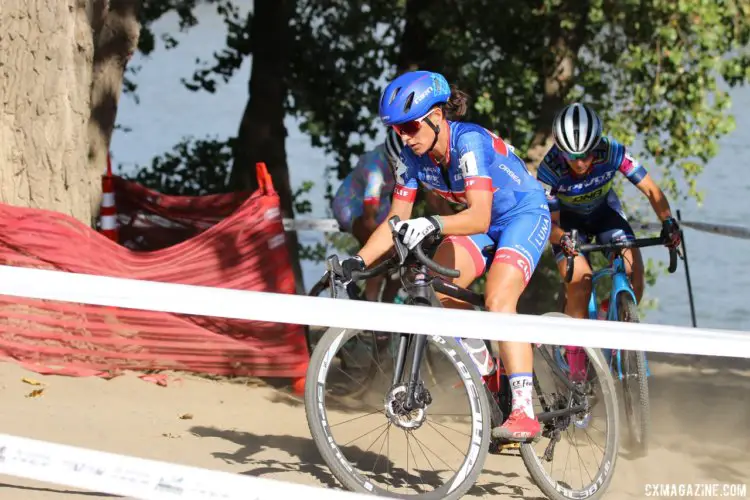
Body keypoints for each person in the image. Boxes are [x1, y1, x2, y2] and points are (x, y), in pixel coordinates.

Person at [336, 70, 552, 442]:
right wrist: (358, 262)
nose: (404, 136)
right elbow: (394, 219)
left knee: (499, 299)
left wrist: (433, 222)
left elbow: (480, 214)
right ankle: (491, 377)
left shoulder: (467, 142)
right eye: (396, 129)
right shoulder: (411, 155)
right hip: (479, 223)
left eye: (410, 126)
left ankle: (523, 410)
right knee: (443, 290)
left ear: (436, 117)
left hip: (521, 214)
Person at [537, 102, 682, 322]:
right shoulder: (549, 170)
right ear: (560, 150)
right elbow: (550, 224)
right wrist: (563, 239)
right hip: (567, 224)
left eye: (586, 155)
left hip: (604, 213)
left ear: (596, 146)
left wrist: (668, 223)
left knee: (635, 277)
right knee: (581, 283)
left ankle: (607, 316)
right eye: (571, 156)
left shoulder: (613, 151)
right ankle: (574, 350)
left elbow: (651, 190)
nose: (579, 163)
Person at [332, 128, 405, 301]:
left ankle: (385, 308)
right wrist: (388, 248)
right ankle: (369, 302)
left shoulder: (395, 155)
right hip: (351, 205)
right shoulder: (375, 170)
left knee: (403, 259)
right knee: (378, 254)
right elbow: (368, 220)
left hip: (381, 203)